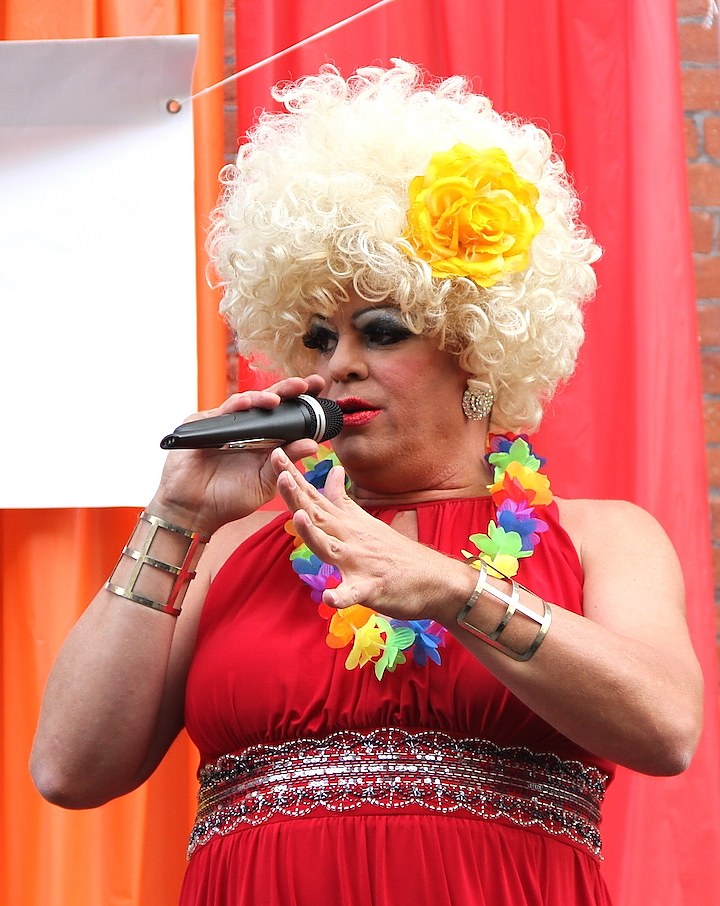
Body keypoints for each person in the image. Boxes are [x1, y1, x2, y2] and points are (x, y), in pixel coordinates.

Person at [30, 60, 703, 905]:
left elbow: (667, 730)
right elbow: (69, 768)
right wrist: (174, 515)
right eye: (315, 337)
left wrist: (456, 590)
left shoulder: (606, 537)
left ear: (476, 349)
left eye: (379, 330)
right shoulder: (233, 546)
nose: (338, 363)